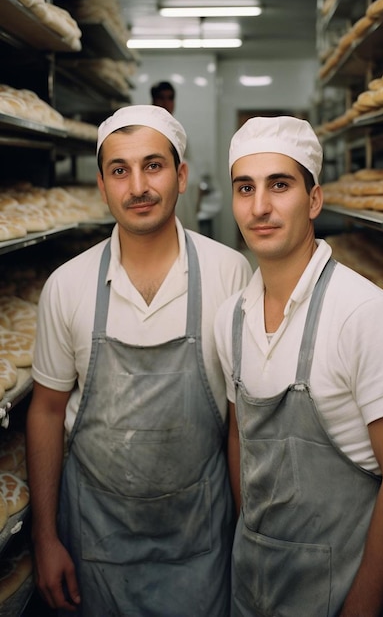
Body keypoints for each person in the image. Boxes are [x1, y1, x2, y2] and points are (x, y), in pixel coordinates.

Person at [26, 104, 252, 616]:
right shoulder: (67, 286)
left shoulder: (229, 274)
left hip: (203, 543)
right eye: (119, 170)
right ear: (103, 187)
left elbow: (243, 422)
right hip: (94, 547)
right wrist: (44, 538)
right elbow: (44, 413)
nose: (138, 186)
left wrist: (245, 533)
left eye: (154, 165)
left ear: (182, 176)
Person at [214, 115, 383, 617]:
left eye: (280, 185)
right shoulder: (230, 318)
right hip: (252, 588)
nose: (260, 207)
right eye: (245, 188)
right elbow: (239, 437)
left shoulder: (365, 315)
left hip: (343, 595)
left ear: (314, 199)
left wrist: (361, 608)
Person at [151, 79, 200, 232]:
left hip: (182, 204)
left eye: (170, 98)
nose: (166, 103)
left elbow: (191, 170)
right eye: (161, 98)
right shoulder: (146, 130)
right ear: (153, 100)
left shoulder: (179, 132)